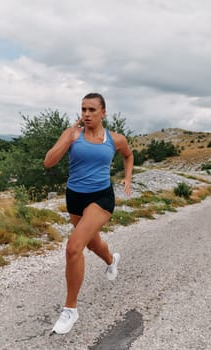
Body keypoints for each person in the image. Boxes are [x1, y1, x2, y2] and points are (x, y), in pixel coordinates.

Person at [44, 92, 134, 334]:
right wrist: (69, 138)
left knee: (74, 247)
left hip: (101, 197)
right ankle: (111, 260)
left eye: (92, 110)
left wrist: (127, 178)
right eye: (83, 109)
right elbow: (49, 162)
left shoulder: (115, 139)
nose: (86, 114)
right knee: (93, 244)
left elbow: (128, 155)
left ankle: (70, 309)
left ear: (103, 112)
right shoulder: (72, 134)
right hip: (75, 197)